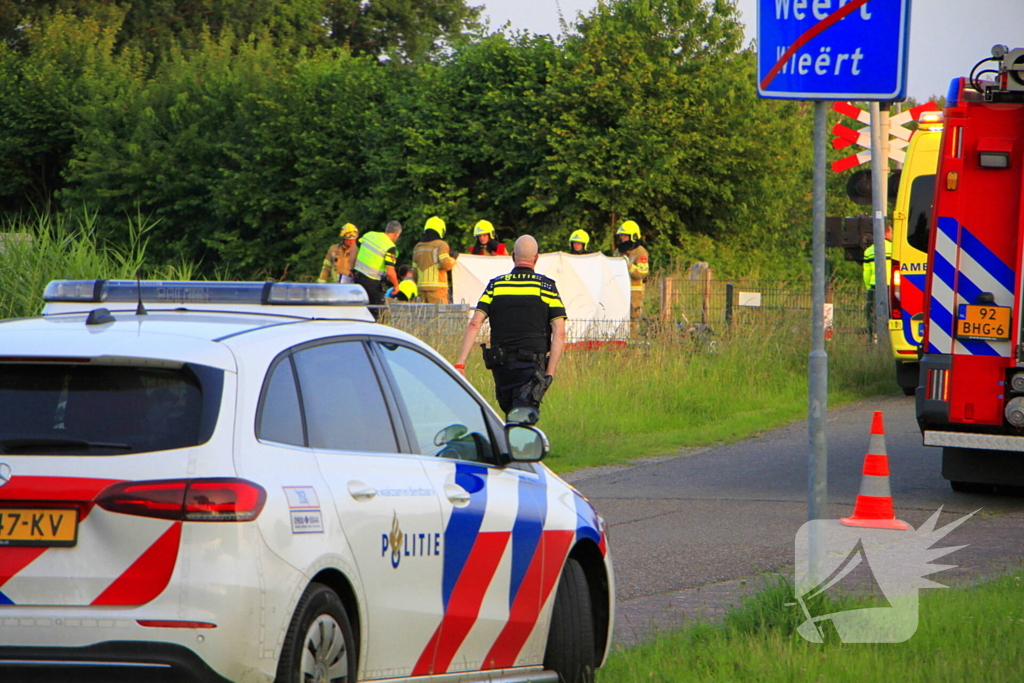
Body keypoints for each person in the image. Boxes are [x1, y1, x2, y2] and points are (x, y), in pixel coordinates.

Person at [454, 235, 566, 422]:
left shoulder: (495, 285)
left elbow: (475, 323)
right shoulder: (546, 287)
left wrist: (460, 363)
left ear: (513, 256)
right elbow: (559, 333)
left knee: (511, 414)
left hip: (501, 364)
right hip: (532, 365)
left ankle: (507, 445)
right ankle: (516, 449)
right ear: (536, 258)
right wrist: (549, 374)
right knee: (522, 419)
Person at [353, 220, 402, 320]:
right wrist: (396, 286)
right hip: (372, 281)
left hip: (357, 277)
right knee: (377, 313)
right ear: (397, 234)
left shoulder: (369, 235)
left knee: (359, 310)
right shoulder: (390, 247)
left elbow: (354, 248)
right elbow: (390, 272)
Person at [412, 216, 457, 304]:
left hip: (421, 290)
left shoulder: (417, 247)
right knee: (439, 316)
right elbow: (445, 264)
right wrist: (453, 259)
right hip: (437, 290)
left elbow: (414, 271)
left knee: (424, 315)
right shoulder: (441, 245)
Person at [863, 223, 894, 336]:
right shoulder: (894, 248)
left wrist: (868, 288)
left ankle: (872, 338)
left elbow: (866, 273)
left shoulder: (869, 251)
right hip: (892, 286)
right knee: (891, 314)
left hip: (874, 286)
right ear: (886, 233)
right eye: (891, 232)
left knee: (873, 315)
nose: (892, 235)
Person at [616, 220, 649, 322]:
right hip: (619, 290)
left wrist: (629, 265)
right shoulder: (618, 252)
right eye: (621, 235)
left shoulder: (640, 251)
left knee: (633, 319)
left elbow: (642, 273)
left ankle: (633, 338)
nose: (622, 238)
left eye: (625, 236)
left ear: (633, 236)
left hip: (634, 291)